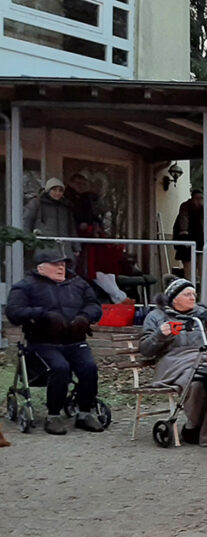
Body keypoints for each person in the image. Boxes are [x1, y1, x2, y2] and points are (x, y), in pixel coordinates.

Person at [5, 250, 104, 434]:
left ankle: (84, 413)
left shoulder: (79, 283)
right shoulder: (25, 286)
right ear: (41, 268)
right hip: (42, 342)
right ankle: (53, 415)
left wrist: (85, 317)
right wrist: (42, 314)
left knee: (89, 368)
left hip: (75, 340)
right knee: (60, 368)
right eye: (56, 264)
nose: (61, 268)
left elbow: (95, 306)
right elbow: (14, 312)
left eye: (63, 264)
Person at [139, 278, 207, 446]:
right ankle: (194, 427)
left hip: (202, 358)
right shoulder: (156, 316)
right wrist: (160, 334)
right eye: (187, 294)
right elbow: (145, 349)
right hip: (173, 362)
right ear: (174, 298)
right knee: (197, 383)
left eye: (194, 294)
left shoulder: (199, 312)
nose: (192, 297)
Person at [24, 178, 77, 253]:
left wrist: (76, 247)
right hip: (42, 248)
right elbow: (26, 223)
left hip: (64, 249)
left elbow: (71, 228)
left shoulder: (65, 207)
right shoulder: (36, 203)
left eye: (60, 190)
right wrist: (28, 243)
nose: (57, 193)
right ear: (48, 190)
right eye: (54, 190)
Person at [173, 189, 207, 269]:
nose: (199, 201)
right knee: (189, 270)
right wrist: (183, 240)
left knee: (203, 270)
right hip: (187, 244)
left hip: (201, 244)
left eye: (201, 198)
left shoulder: (205, 211)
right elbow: (181, 226)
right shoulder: (185, 210)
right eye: (197, 198)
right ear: (192, 199)